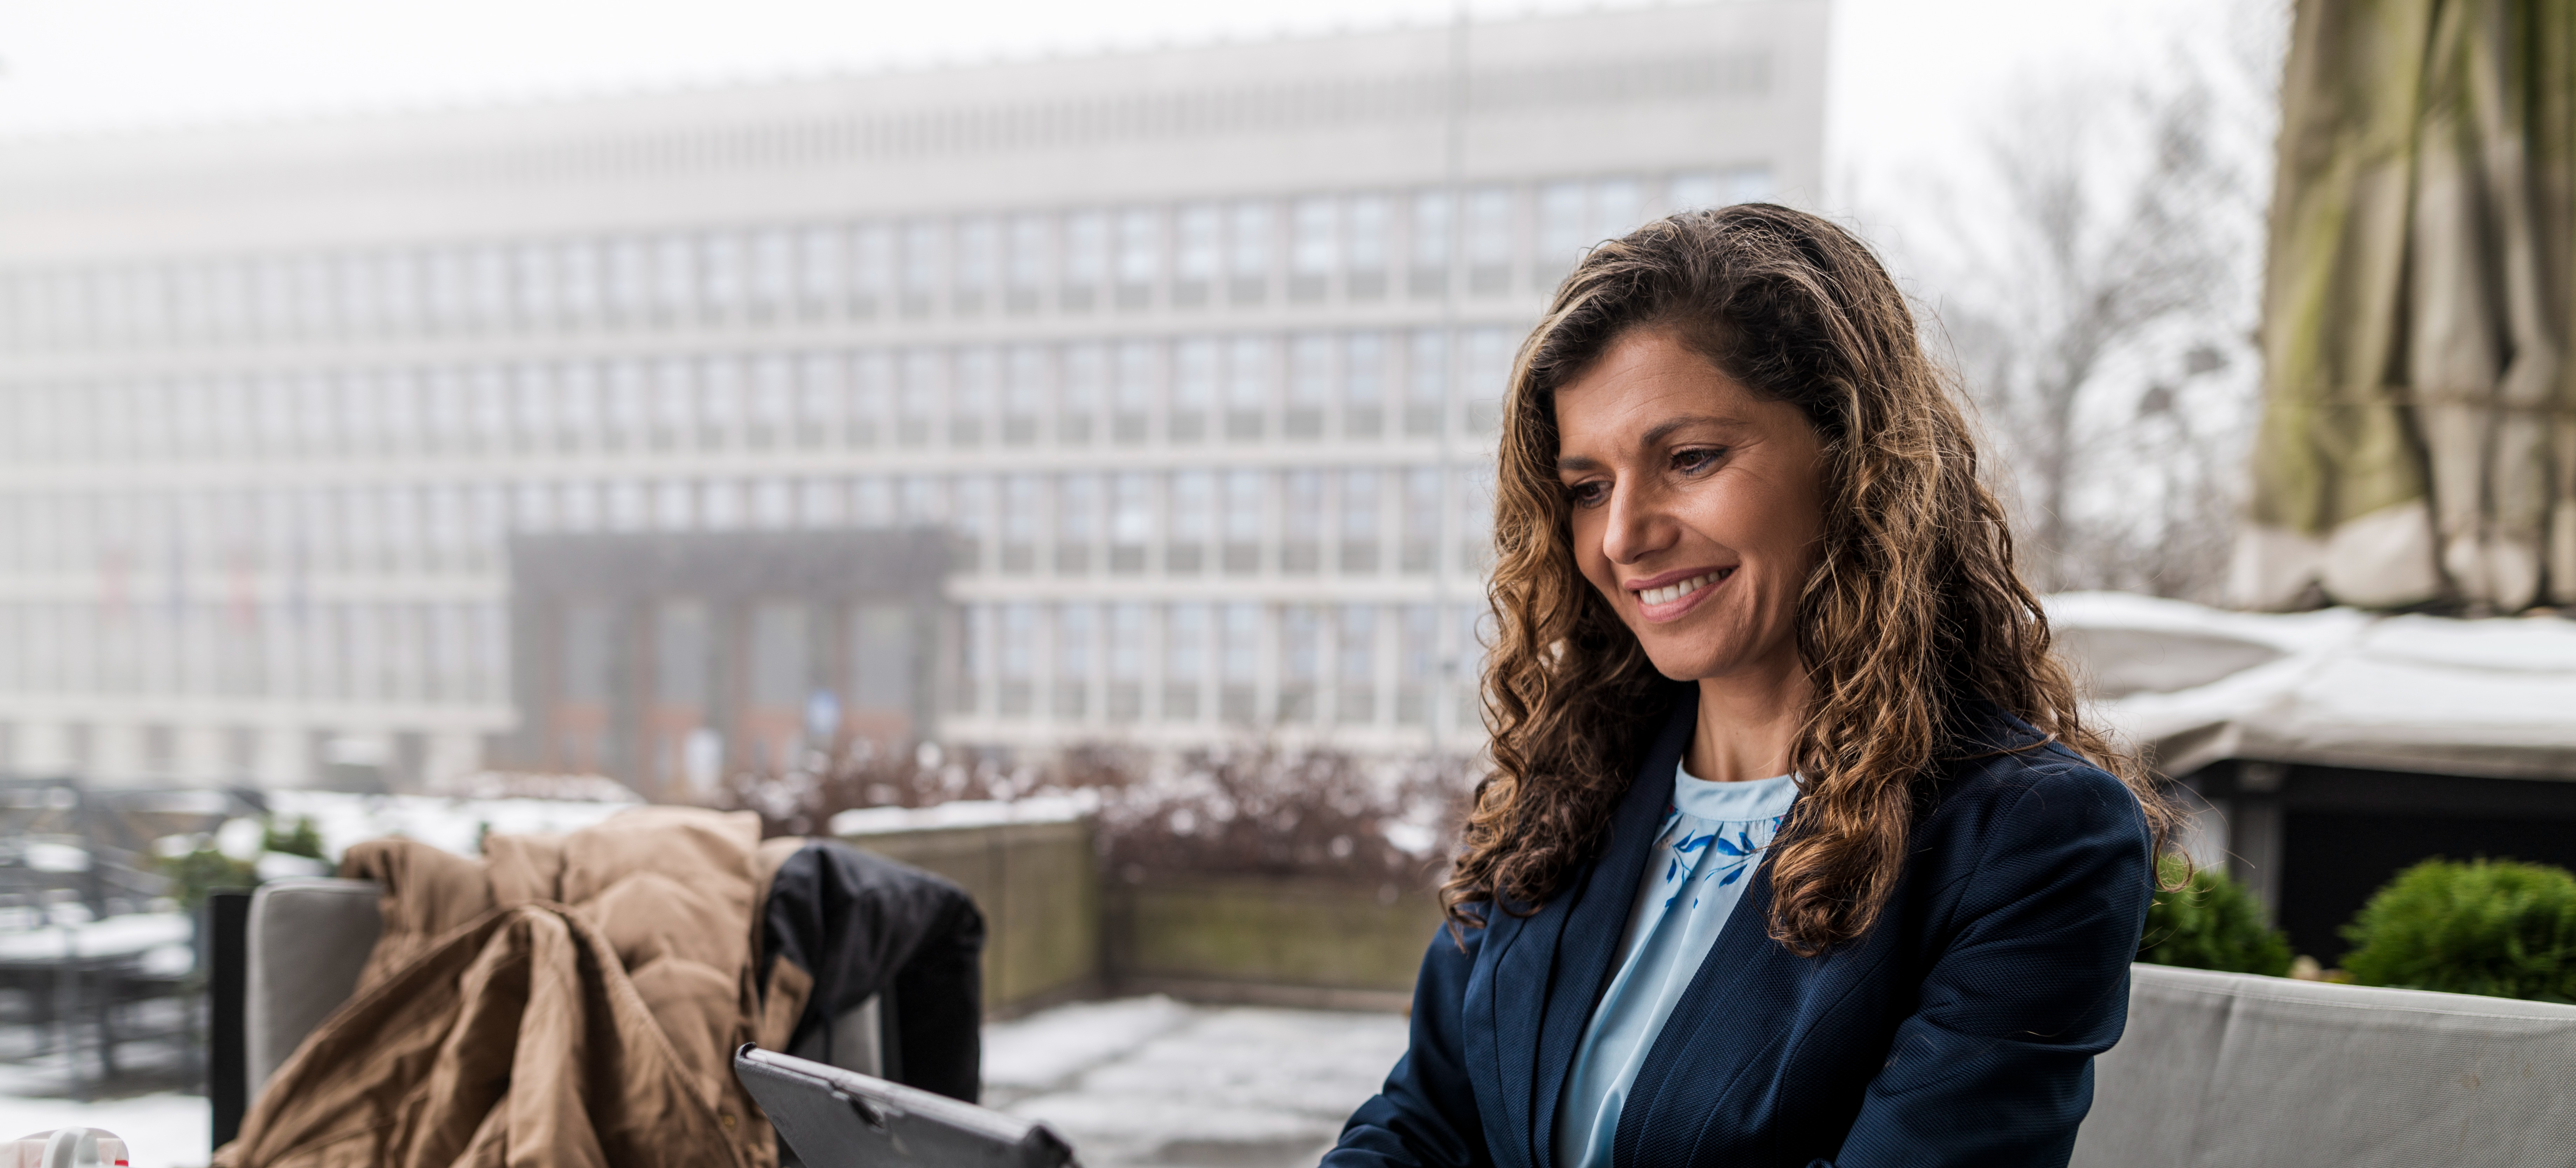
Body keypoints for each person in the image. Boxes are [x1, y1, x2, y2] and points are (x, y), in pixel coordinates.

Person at [1323, 205, 2171, 1168]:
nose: (1623, 536)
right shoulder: (1571, 789)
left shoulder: (2031, 840)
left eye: (1689, 460)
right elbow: (1428, 1124)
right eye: (1589, 487)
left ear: (1855, 462)